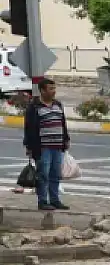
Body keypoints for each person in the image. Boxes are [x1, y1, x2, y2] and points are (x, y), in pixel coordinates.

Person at [23, 77, 72, 211]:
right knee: (43, 174)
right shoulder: (34, 107)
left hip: (57, 146)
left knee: (55, 174)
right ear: (42, 91)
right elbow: (29, 127)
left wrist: (66, 139)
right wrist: (29, 146)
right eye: (51, 89)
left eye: (54, 88)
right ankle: (43, 201)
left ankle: (55, 200)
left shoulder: (57, 104)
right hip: (42, 147)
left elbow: (63, 123)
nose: (54, 91)